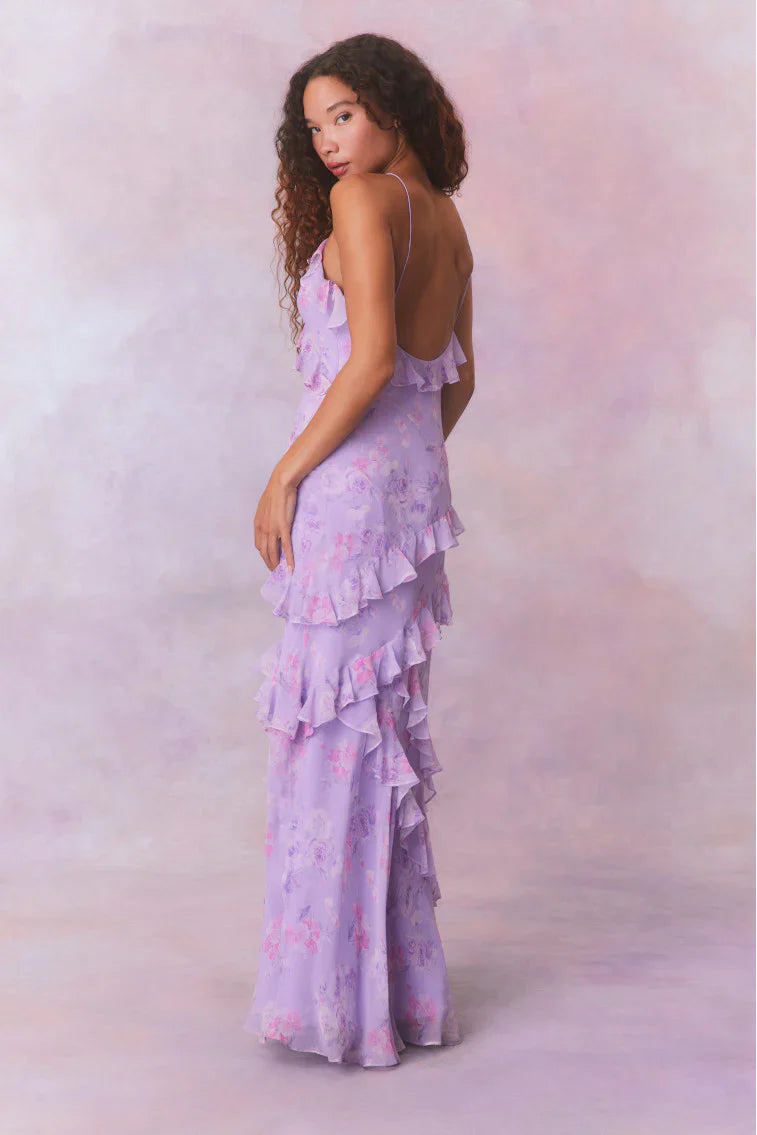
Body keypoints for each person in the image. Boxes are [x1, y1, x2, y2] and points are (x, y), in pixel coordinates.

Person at [243, 32, 475, 1068]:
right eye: (314, 127)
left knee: (336, 733)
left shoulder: (365, 200)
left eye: (342, 114)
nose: (328, 143)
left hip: (345, 502)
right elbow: (456, 381)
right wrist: (401, 468)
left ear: (391, 104)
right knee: (374, 732)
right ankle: (395, 998)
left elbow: (373, 357)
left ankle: (332, 1003)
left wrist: (287, 474)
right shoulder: (448, 219)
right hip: (408, 505)